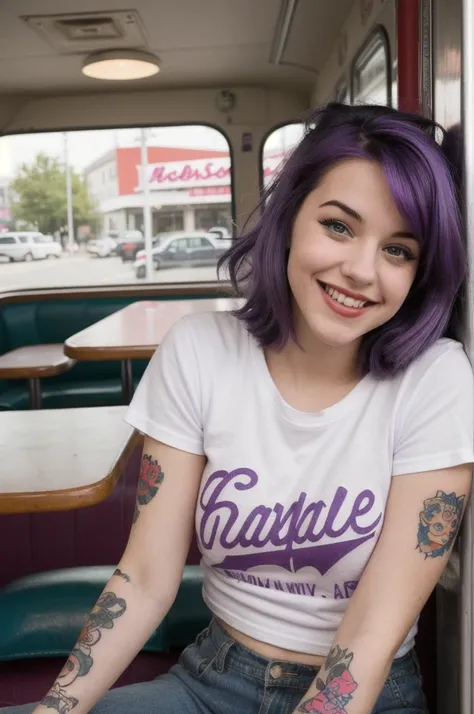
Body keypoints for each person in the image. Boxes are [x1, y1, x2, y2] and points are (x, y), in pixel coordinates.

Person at [4, 103, 473, 714]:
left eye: (399, 250)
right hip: (211, 680)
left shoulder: (437, 380)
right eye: (338, 226)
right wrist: (56, 710)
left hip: (361, 693)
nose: (361, 271)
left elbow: (369, 637)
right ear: (290, 216)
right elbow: (145, 580)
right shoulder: (200, 351)